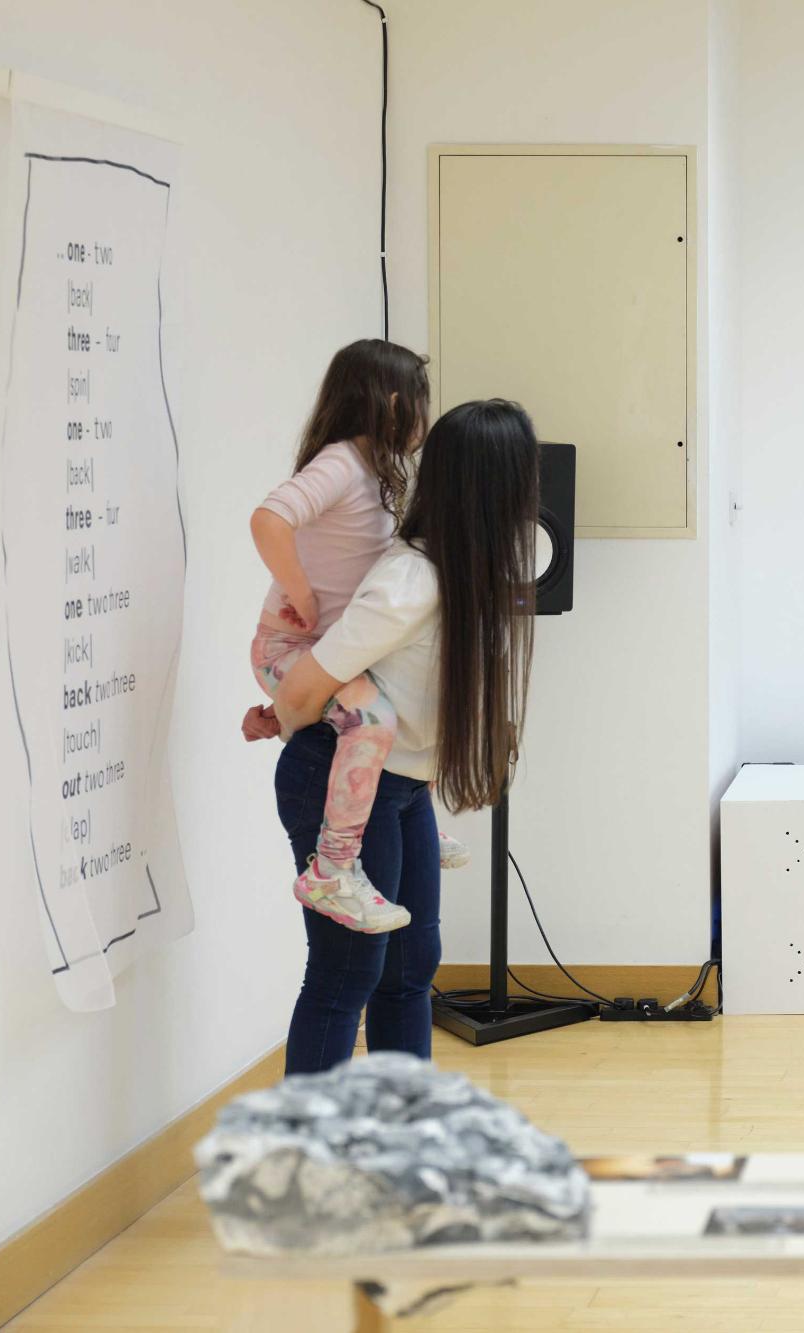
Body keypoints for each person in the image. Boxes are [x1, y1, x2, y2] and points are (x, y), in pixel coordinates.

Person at [244, 398, 541, 1075]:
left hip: (402, 788)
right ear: (496, 485)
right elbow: (304, 684)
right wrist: (286, 719)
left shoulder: (471, 573)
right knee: (348, 973)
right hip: (341, 779)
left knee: (410, 968)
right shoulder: (411, 579)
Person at [248, 339, 470, 934]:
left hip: (320, 652)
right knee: (374, 722)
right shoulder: (341, 463)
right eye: (422, 404)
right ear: (396, 402)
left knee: (395, 704)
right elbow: (269, 519)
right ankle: (334, 864)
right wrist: (297, 593)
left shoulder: (373, 471)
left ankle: (384, 817)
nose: (425, 419)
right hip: (289, 647)